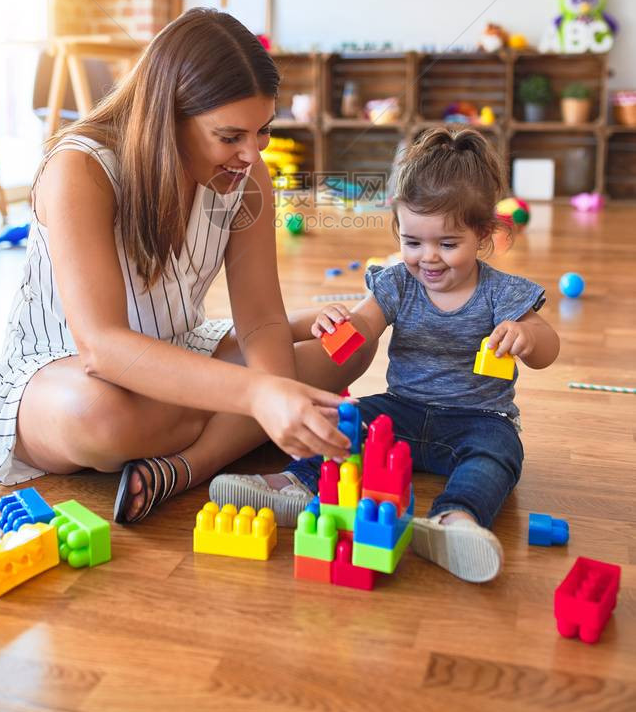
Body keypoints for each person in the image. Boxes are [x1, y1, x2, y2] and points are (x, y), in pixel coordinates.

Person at [0, 10, 377, 524]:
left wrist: (279, 399)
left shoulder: (248, 175)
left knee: (350, 341)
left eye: (263, 131)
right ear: (168, 116)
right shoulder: (80, 168)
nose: (251, 153)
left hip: (179, 351)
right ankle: (221, 430)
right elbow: (102, 348)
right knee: (100, 416)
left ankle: (183, 469)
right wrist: (261, 395)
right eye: (230, 135)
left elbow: (260, 319)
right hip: (67, 375)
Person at [211, 127, 560, 582]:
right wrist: (334, 323)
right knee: (347, 419)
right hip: (403, 409)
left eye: (447, 244)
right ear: (398, 229)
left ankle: (455, 521)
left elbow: (547, 349)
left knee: (499, 455)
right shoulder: (397, 282)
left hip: (479, 417)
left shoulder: (502, 292)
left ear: (484, 235)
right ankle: (297, 484)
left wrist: (525, 336)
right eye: (413, 242)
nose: (428, 258)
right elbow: (363, 326)